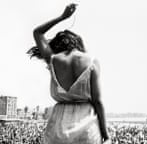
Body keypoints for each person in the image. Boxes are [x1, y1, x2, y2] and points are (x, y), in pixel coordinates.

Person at [28, 3, 110, 144]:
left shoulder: (53, 60)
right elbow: (97, 101)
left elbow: (38, 33)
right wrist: (106, 135)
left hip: (58, 129)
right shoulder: (91, 62)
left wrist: (62, 17)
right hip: (87, 127)